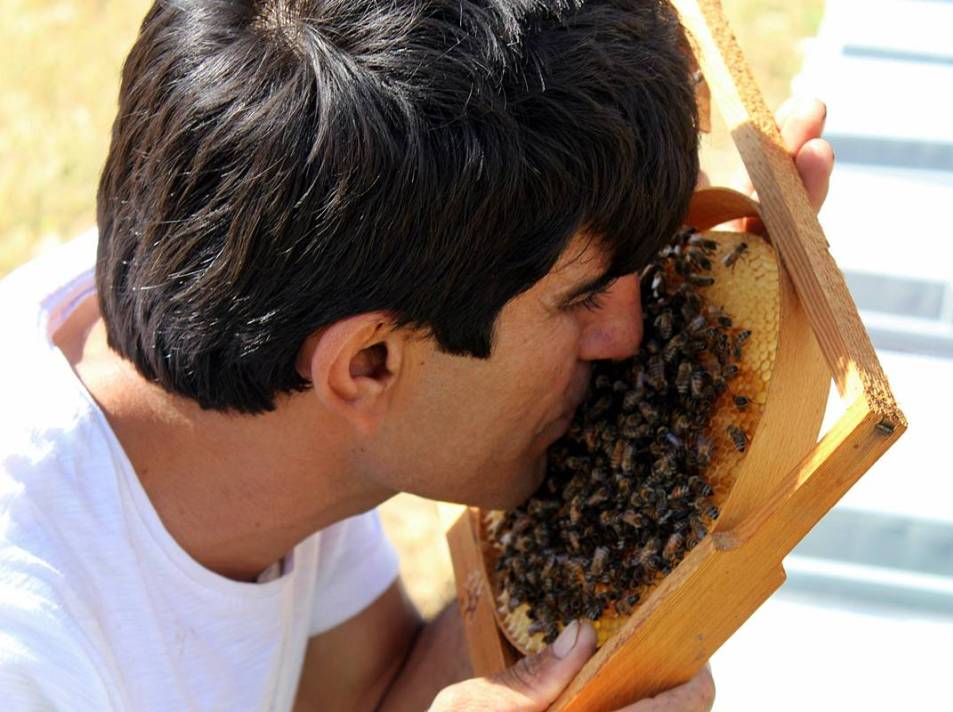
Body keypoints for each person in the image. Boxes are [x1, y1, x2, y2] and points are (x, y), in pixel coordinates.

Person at [0, 0, 833, 709]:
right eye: (583, 299)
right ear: (368, 364)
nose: (628, 335)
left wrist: (682, 438)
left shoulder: (271, 286)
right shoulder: (29, 658)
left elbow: (365, 696)